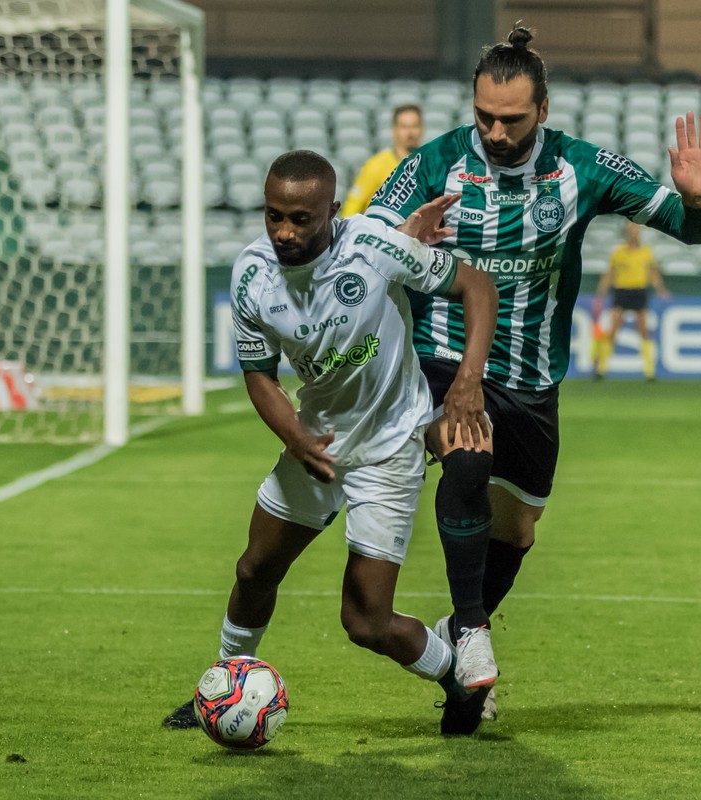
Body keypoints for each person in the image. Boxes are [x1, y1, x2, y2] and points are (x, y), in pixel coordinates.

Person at [366, 24, 701, 728]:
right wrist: (403, 236)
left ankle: (456, 641)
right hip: (445, 359)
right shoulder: (434, 163)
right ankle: (469, 636)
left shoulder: (582, 169)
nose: (496, 132)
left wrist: (697, 201)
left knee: (518, 531)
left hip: (532, 378)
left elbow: (690, 228)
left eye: (513, 119)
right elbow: (370, 242)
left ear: (545, 109)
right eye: (485, 117)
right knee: (466, 456)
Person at [162, 150, 498, 736]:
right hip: (315, 441)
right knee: (253, 570)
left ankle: (453, 674)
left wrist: (468, 378)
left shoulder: (374, 245)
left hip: (391, 448)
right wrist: (294, 435)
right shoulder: (251, 275)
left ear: (332, 212)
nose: (284, 232)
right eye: (273, 216)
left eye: (300, 218)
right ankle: (222, 686)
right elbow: (259, 374)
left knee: (365, 622)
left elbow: (477, 286)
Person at [591, 222, 670, 380]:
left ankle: (650, 371)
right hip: (621, 291)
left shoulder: (646, 252)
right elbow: (609, 275)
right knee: (613, 328)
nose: (634, 234)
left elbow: (652, 273)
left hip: (639, 291)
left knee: (643, 330)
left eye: (636, 231)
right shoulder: (618, 253)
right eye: (631, 231)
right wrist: (600, 295)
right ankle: (601, 368)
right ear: (626, 233)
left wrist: (661, 289)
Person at [341, 104, 424, 217]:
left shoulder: (429, 165)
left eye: (414, 126)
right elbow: (354, 204)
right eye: (404, 127)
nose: (410, 132)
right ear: (394, 130)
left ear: (421, 129)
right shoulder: (376, 165)